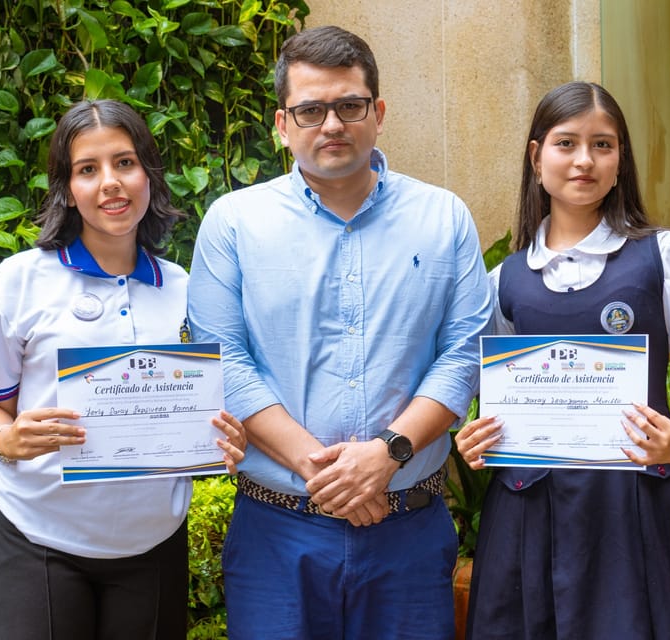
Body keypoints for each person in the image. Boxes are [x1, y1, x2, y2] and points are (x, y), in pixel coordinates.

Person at [188, 24, 493, 640]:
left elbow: (463, 355)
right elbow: (222, 362)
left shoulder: (444, 218)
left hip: (407, 531)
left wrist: (386, 455)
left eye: (349, 106)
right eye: (310, 110)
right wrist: (332, 476)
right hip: (277, 533)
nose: (332, 124)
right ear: (282, 123)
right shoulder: (234, 223)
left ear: (377, 113)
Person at [455, 81, 670, 639]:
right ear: (537, 157)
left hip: (640, 507)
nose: (584, 160)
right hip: (531, 514)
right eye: (566, 143)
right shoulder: (502, 282)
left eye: (602, 145)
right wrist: (475, 438)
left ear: (620, 159)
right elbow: (498, 402)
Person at [0, 99, 246, 640]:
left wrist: (224, 436)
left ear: (148, 172)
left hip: (153, 543)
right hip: (37, 537)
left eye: (124, 163)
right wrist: (7, 439)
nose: (110, 184)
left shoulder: (188, 289)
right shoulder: (19, 281)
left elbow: (210, 406)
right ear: (67, 188)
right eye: (87, 170)